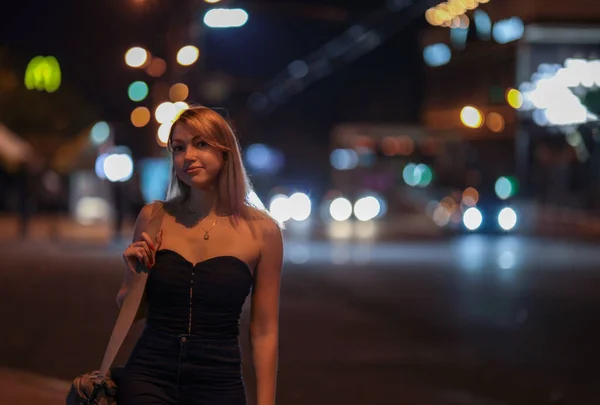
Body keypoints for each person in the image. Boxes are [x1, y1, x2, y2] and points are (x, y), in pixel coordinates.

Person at [115, 106, 284, 405]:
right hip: (150, 374)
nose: (188, 156)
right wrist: (136, 274)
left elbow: (265, 330)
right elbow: (132, 311)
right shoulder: (154, 217)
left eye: (200, 144)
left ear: (226, 151)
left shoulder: (264, 231)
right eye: (178, 148)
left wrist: (266, 402)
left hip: (219, 380)